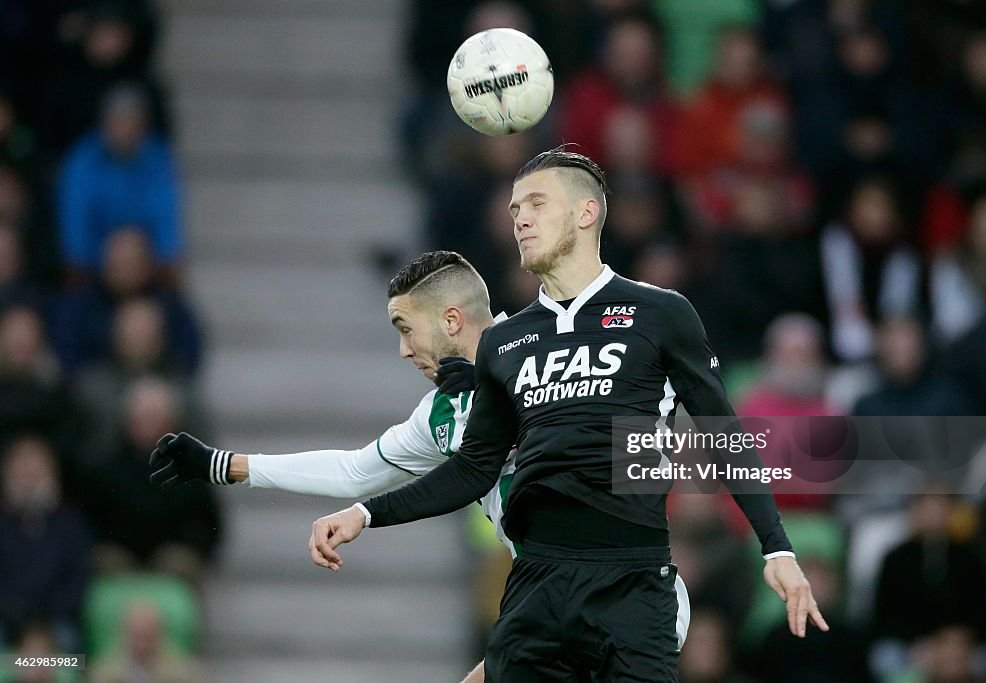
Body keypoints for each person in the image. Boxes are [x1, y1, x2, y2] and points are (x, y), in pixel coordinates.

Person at [310, 147, 828, 681]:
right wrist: (366, 514)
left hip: (632, 582)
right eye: (514, 211)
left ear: (586, 213)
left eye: (536, 203)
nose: (521, 220)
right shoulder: (504, 343)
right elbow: (473, 469)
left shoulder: (661, 313)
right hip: (538, 583)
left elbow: (724, 434)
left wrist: (776, 548)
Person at [148, 250, 692, 683]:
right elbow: (356, 471)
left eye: (406, 329)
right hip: (552, 603)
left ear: (451, 320)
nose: (404, 351)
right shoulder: (441, 413)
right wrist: (224, 465)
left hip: (628, 595)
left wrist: (500, 394)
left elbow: (654, 451)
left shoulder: (562, 346)